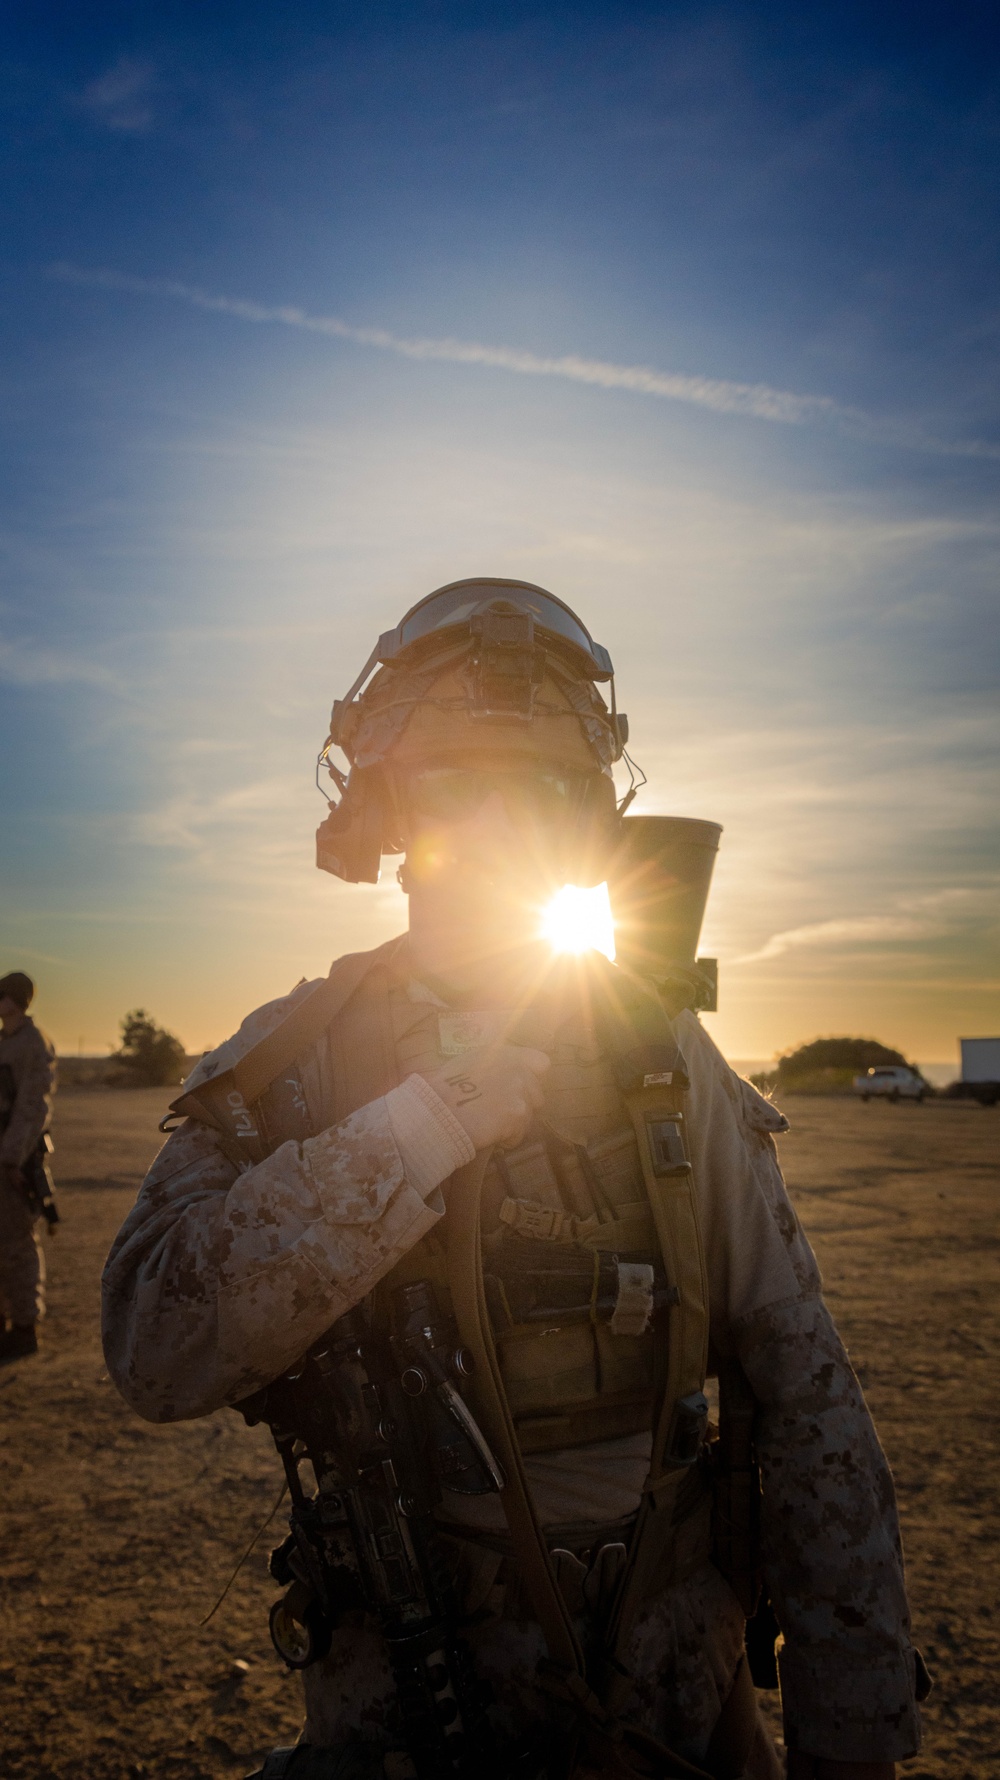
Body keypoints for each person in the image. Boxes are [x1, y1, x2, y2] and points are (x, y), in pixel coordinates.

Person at [102, 580, 924, 1780]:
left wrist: (851, 1740)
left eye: (536, 789)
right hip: (403, 1709)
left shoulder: (662, 1056)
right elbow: (155, 1345)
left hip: (673, 1706)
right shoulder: (300, 1066)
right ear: (385, 805)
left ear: (586, 815)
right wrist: (417, 1128)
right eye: (452, 783)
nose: (494, 823)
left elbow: (804, 1393)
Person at [0, 969, 57, 1362]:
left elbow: (32, 1108)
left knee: (18, 1246)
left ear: (17, 1001)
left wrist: (11, 1159)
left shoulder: (33, 1044)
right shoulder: (6, 1041)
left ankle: (25, 1328)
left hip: (14, 1163)